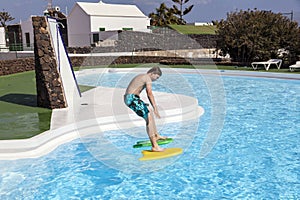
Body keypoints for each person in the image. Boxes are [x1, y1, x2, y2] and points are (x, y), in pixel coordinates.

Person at [124, 67, 167, 152]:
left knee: (149, 111)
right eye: (157, 77)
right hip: (131, 99)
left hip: (132, 98)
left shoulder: (142, 76)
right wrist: (155, 107)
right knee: (149, 118)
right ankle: (155, 146)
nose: (156, 79)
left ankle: (156, 135)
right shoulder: (147, 78)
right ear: (152, 73)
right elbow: (149, 93)